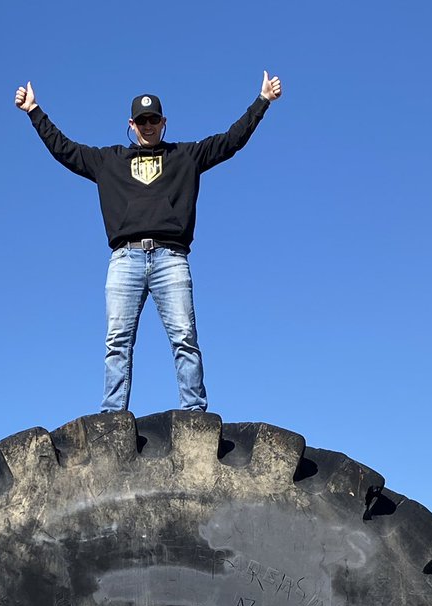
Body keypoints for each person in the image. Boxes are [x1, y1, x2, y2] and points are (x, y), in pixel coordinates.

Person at [15, 73, 282, 413]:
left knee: (185, 338)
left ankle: (193, 412)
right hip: (125, 259)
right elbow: (65, 149)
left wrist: (261, 102)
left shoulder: (185, 156)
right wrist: (34, 110)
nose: (148, 125)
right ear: (131, 124)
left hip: (171, 258)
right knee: (117, 342)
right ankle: (112, 416)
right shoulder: (108, 161)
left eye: (154, 119)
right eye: (142, 121)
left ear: (164, 121)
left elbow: (230, 140)